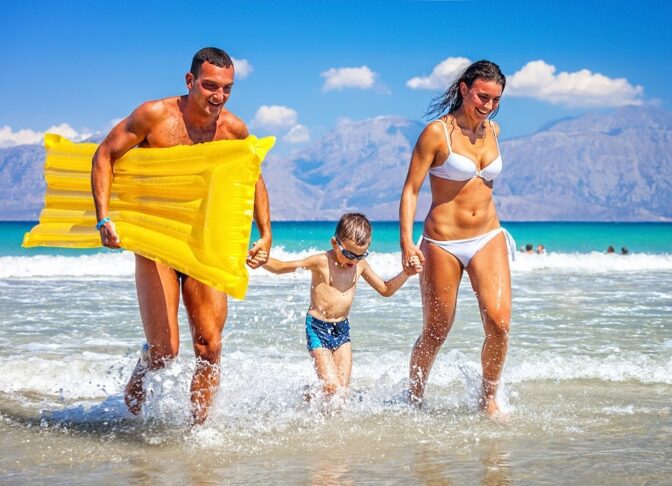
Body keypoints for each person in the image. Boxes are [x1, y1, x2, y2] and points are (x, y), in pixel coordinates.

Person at [91, 47, 272, 425]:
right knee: (165, 352)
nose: (217, 97)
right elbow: (105, 154)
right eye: (209, 86)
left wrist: (265, 232)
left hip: (204, 241)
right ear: (190, 81)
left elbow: (251, 176)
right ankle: (133, 405)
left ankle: (198, 433)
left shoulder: (232, 130)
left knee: (210, 345)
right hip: (156, 240)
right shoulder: (154, 117)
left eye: (226, 89)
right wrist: (103, 218)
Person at [399, 60, 516, 416]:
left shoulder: (493, 130)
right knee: (436, 329)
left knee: (499, 323)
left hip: (487, 236)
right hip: (442, 242)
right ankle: (414, 398)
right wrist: (406, 242)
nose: (488, 105)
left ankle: (489, 398)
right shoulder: (437, 133)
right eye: (482, 96)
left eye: (495, 99)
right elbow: (410, 190)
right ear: (464, 89)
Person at [263, 213, 420, 397]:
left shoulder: (360, 265)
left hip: (342, 330)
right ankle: (304, 399)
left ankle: (321, 410)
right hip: (317, 328)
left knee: (342, 392)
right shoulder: (321, 261)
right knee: (331, 386)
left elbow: (385, 290)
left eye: (360, 255)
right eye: (348, 254)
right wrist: (261, 260)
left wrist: (406, 273)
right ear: (334, 243)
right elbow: (282, 267)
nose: (352, 260)